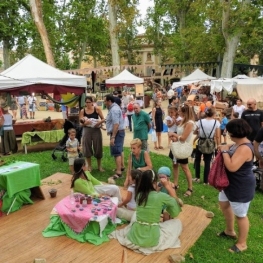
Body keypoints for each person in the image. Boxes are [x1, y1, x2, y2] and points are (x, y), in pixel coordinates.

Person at [110, 170, 182, 255]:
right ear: (154, 182)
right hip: (152, 239)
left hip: (135, 237)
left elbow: (150, 197)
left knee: (136, 216)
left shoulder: (139, 195)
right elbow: (175, 212)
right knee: (177, 223)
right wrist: (168, 187)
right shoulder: (161, 196)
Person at [218, 119, 255, 253]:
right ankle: (229, 231)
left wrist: (224, 152)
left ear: (234, 133)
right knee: (224, 204)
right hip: (229, 184)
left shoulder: (245, 147)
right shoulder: (238, 144)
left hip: (241, 186)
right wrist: (225, 147)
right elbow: (228, 148)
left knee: (241, 215)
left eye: (228, 131)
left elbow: (232, 167)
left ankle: (242, 243)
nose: (227, 134)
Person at [168, 104, 195, 196]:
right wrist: (175, 138)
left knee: (185, 167)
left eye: (179, 110)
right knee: (175, 164)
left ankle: (190, 188)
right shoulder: (183, 120)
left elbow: (183, 138)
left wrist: (173, 134)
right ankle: (175, 184)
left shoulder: (190, 123)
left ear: (184, 112)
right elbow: (180, 135)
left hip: (182, 147)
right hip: (176, 145)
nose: (178, 112)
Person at [193, 108, 220, 184]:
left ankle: (197, 177)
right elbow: (218, 136)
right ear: (213, 114)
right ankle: (206, 181)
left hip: (201, 142)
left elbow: (195, 132)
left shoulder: (200, 121)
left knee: (197, 160)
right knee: (207, 162)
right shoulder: (216, 123)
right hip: (210, 143)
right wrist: (218, 145)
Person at [79, 96, 105, 172]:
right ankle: (89, 166)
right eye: (86, 102)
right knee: (87, 147)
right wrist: (85, 123)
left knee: (98, 147)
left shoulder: (97, 109)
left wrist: (98, 123)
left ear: (92, 102)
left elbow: (103, 119)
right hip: (86, 130)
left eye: (89, 102)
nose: (87, 104)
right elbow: (80, 123)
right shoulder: (82, 111)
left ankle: (99, 166)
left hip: (96, 130)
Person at [104, 94, 125, 179]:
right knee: (119, 150)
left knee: (116, 152)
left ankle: (119, 172)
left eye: (105, 101)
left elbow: (116, 124)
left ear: (109, 101)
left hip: (117, 133)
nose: (104, 103)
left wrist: (113, 137)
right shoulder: (113, 108)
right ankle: (121, 167)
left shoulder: (114, 110)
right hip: (117, 133)